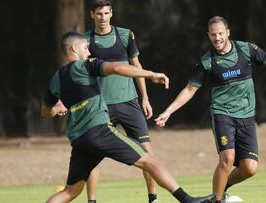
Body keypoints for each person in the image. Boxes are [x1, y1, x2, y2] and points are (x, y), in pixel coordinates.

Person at [42, 31, 215, 203]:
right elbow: (117, 67)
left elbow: (45, 111)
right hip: (99, 131)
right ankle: (187, 200)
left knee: (70, 191)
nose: (89, 52)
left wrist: (58, 108)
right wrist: (151, 74)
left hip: (79, 140)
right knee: (150, 161)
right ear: (74, 48)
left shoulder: (56, 79)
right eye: (86, 48)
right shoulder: (86, 66)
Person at [155, 16, 266, 203]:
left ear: (227, 32)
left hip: (246, 115)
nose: (217, 38)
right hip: (223, 115)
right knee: (227, 158)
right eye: (213, 35)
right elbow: (189, 90)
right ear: (208, 36)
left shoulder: (245, 49)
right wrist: (168, 112)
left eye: (220, 33)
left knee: (250, 168)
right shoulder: (207, 61)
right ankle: (217, 200)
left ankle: (223, 186)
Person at [84, 1, 158, 202]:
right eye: (99, 13)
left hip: (129, 103)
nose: (103, 17)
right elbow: (79, 75)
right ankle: (92, 201)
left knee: (147, 152)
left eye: (106, 13)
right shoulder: (85, 41)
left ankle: (153, 198)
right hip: (101, 107)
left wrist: (145, 97)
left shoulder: (125, 35)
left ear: (111, 13)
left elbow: (136, 65)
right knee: (91, 156)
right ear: (92, 15)